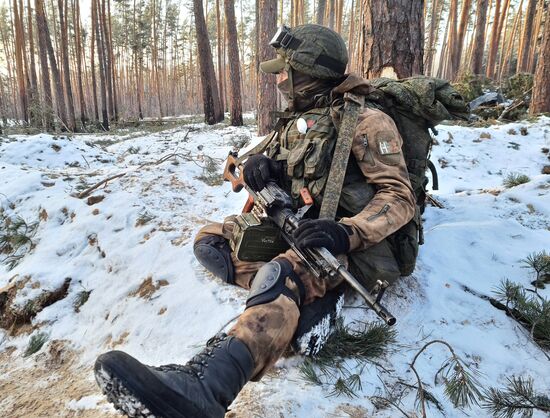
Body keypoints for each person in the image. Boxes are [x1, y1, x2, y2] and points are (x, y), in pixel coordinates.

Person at [94, 24, 416, 418]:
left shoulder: (366, 122)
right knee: (210, 241)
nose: (280, 79)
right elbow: (257, 163)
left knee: (282, 274)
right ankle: (300, 299)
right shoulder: (300, 119)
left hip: (342, 249)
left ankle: (208, 387)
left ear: (308, 74)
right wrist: (259, 167)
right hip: (295, 228)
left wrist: (345, 233)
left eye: (286, 71)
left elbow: (400, 198)